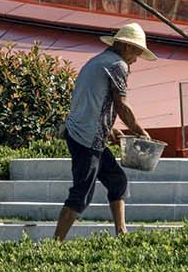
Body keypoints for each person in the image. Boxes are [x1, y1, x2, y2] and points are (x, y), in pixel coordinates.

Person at [53, 22, 156, 242]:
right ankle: (56, 242)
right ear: (127, 47)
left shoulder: (97, 61)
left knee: (117, 181)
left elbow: (93, 102)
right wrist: (140, 132)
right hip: (86, 139)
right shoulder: (118, 64)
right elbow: (121, 105)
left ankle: (121, 233)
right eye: (136, 53)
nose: (135, 60)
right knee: (82, 193)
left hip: (85, 134)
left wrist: (109, 129)